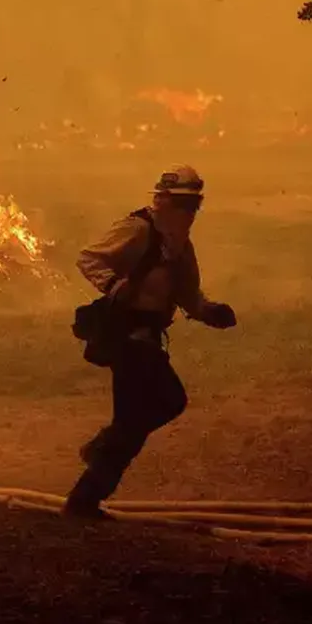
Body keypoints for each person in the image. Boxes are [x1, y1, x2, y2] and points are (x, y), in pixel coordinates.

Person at [64, 164, 237, 519]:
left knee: (133, 420)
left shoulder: (180, 247)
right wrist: (113, 286)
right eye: (182, 204)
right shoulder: (139, 229)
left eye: (194, 206)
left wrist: (211, 312)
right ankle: (92, 477)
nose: (189, 213)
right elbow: (90, 258)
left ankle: (87, 494)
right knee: (163, 403)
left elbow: (189, 295)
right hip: (128, 339)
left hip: (147, 340)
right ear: (161, 200)